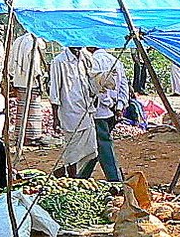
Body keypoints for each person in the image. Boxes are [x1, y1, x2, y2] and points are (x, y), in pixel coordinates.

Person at [47, 45, 96, 177]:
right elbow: (54, 92)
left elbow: (90, 80)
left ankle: (71, 174)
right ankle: (72, 177)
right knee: (72, 151)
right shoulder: (59, 61)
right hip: (70, 111)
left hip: (85, 109)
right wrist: (55, 118)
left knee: (91, 148)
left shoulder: (84, 58)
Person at [80, 47, 127, 182]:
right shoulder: (115, 61)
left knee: (103, 145)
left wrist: (108, 104)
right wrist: (119, 106)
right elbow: (124, 86)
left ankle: (115, 179)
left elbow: (99, 89)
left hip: (99, 111)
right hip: (112, 110)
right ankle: (82, 176)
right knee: (96, 145)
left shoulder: (93, 61)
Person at [7, 29, 47, 145]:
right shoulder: (32, 42)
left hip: (19, 80)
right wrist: (40, 82)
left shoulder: (18, 41)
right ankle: (31, 136)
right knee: (33, 111)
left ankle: (21, 135)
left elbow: (11, 62)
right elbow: (35, 65)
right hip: (30, 81)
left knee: (22, 110)